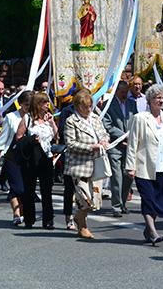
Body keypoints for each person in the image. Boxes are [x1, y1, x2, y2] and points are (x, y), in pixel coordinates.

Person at [126, 84, 163, 245]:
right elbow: (133, 143)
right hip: (143, 166)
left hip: (162, 166)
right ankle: (153, 231)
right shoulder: (140, 118)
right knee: (148, 199)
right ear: (149, 100)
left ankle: (148, 228)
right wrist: (130, 166)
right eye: (157, 98)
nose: (161, 100)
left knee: (157, 200)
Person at [64, 90, 109, 238]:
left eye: (90, 106)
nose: (89, 109)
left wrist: (104, 141)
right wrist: (91, 147)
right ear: (78, 106)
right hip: (80, 166)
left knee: (95, 201)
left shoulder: (95, 118)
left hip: (97, 164)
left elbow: (104, 133)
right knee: (85, 199)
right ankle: (82, 224)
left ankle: (79, 218)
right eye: (85, 107)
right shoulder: (71, 121)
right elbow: (70, 144)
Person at [17, 92, 58, 230]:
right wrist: (31, 139)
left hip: (46, 158)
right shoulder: (27, 119)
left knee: (47, 190)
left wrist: (52, 122)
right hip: (31, 158)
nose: (47, 105)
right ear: (38, 104)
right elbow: (19, 137)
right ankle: (29, 219)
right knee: (29, 190)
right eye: (45, 102)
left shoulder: (48, 118)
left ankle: (48, 219)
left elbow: (56, 136)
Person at [0, 91, 32, 225]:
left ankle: (22, 211)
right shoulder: (10, 117)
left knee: (25, 187)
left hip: (28, 157)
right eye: (26, 104)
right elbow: (4, 135)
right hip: (12, 155)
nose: (28, 107)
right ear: (20, 103)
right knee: (17, 186)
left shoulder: (33, 117)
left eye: (30, 105)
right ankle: (16, 214)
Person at [103, 81, 138, 217]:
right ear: (116, 91)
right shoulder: (108, 105)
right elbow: (108, 125)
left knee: (128, 176)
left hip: (129, 145)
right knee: (117, 177)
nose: (124, 94)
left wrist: (132, 137)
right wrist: (123, 137)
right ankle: (116, 206)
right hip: (115, 146)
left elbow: (136, 121)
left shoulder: (131, 104)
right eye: (122, 91)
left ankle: (123, 203)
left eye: (126, 92)